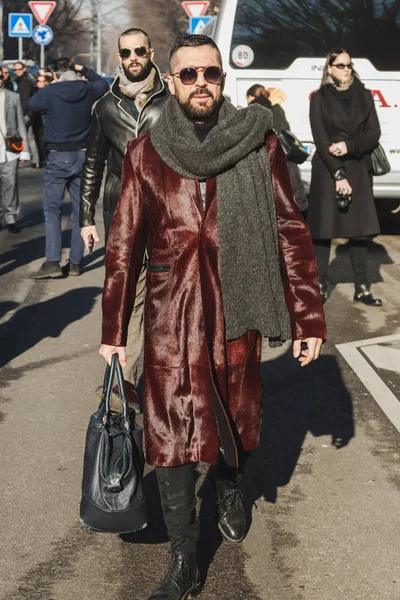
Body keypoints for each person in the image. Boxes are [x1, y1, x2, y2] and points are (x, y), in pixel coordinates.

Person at [99, 34, 326, 600]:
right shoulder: (145, 152)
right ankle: (184, 555)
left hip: (238, 300)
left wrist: (308, 316)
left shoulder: (258, 142)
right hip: (171, 307)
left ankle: (229, 482)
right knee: (170, 425)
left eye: (212, 74)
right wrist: (112, 331)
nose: (203, 83)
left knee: (238, 414)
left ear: (223, 79)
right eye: (190, 74)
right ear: (171, 82)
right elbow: (123, 247)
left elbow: (289, 229)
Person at [80, 27, 168, 390]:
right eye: (126, 53)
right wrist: (86, 218)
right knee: (127, 293)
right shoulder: (104, 107)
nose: (133, 58)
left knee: (165, 296)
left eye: (139, 52)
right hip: (120, 209)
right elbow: (93, 163)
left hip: (166, 208)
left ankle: (162, 376)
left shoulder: (172, 98)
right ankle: (124, 383)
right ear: (119, 57)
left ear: (151, 53)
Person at [308, 48, 382, 306]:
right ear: (328, 68)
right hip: (329, 169)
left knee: (359, 232)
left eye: (349, 65)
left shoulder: (364, 95)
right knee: (323, 231)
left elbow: (374, 133)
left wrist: (349, 146)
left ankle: (362, 287)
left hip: (359, 168)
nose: (346, 69)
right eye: (340, 65)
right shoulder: (319, 98)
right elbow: (320, 138)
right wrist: (338, 173)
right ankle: (319, 287)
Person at [27, 58, 108, 279]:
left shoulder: (52, 91)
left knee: (52, 210)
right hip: (83, 155)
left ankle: (52, 261)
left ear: (56, 74)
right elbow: (103, 84)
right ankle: (75, 263)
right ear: (74, 70)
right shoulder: (88, 88)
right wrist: (86, 70)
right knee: (80, 212)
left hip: (57, 155)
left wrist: (50, 84)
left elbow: (33, 104)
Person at [246, 84, 308, 214]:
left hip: (268, 167)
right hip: (288, 163)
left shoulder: (252, 112)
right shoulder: (277, 109)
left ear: (250, 97)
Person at [0, 66, 30, 233]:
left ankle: (11, 217)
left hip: (10, 148)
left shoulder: (13, 97)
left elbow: (20, 123)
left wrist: (24, 150)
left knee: (11, 184)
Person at [13, 61, 40, 169]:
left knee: (21, 135)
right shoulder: (25, 80)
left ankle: (22, 157)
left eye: (19, 69)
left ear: (24, 69)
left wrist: (21, 114)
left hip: (25, 114)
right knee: (29, 136)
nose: (17, 71)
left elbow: (24, 101)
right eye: (15, 69)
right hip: (30, 113)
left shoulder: (25, 81)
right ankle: (36, 160)